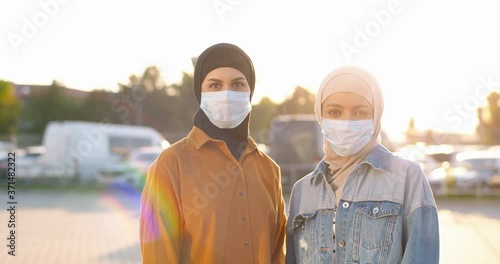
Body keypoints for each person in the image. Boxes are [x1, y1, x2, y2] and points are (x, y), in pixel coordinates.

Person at [140, 43, 286, 263]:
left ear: (250, 92)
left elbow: (277, 253)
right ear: (200, 93)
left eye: (237, 84)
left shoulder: (269, 170)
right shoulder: (171, 164)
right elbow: (158, 254)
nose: (227, 94)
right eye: (215, 85)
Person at [285, 66, 439, 263]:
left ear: (376, 116)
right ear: (320, 115)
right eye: (334, 111)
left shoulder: (407, 178)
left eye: (360, 112)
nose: (347, 122)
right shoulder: (303, 191)